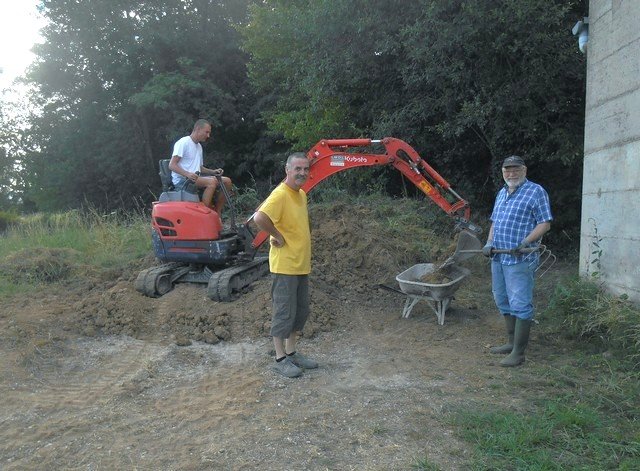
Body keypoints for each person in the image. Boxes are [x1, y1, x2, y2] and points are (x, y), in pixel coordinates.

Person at [483, 155, 552, 367]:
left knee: (520, 302)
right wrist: (488, 242)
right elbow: (495, 222)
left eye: (515, 169)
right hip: (499, 256)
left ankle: (519, 353)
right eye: (507, 170)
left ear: (524, 170)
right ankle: (511, 343)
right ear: (503, 172)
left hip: (521, 258)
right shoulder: (502, 193)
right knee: (502, 299)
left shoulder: (536, 191)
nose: (511, 173)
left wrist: (526, 242)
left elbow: (545, 223)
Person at [253, 152, 318, 378]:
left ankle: (292, 353)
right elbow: (259, 217)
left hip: (300, 264)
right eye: (297, 169)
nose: (302, 173)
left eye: (305, 169)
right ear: (287, 170)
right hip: (285, 266)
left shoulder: (300, 195)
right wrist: (277, 235)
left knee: (300, 312)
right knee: (283, 312)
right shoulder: (280, 194)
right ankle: (280, 358)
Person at [168, 119, 232, 214]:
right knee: (211, 183)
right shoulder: (183, 142)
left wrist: (213, 172)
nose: (208, 135)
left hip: (195, 178)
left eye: (209, 133)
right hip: (183, 180)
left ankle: (217, 211)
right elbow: (172, 165)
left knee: (227, 181)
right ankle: (204, 214)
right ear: (198, 129)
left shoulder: (198, 146)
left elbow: (200, 168)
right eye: (206, 132)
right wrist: (188, 174)